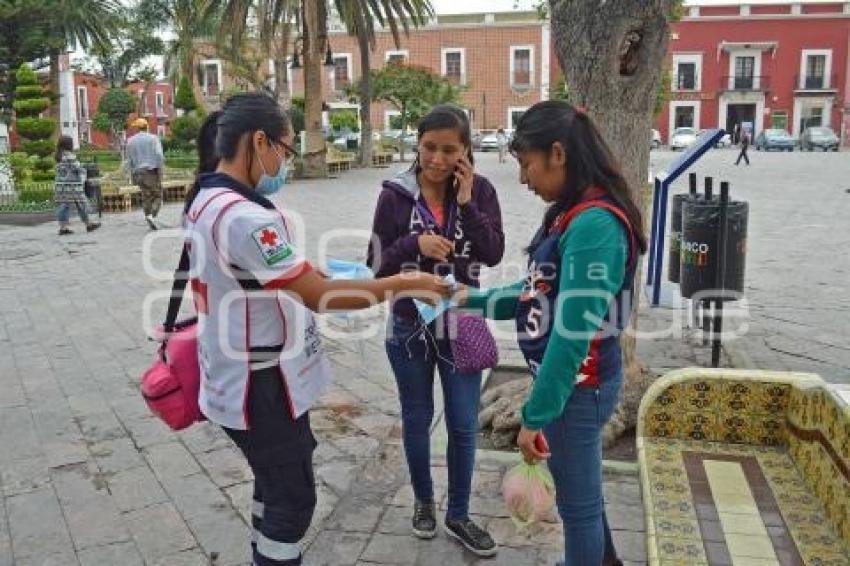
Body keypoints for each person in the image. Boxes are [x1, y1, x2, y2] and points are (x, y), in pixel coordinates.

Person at [184, 92, 450, 566]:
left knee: (273, 484)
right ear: (258, 140)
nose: (284, 165)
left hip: (236, 372)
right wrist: (405, 282)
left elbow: (268, 277)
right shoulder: (244, 217)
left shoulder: (207, 197)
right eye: (284, 152)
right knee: (293, 500)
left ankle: (262, 553)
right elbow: (321, 298)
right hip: (259, 385)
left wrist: (317, 273)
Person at [454, 100, 647, 566]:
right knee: (581, 495)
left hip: (580, 387)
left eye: (526, 164)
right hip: (567, 387)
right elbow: (536, 291)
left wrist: (535, 416)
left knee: (577, 509)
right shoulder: (570, 212)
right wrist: (472, 299)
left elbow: (573, 331)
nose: (523, 178)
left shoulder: (596, 223)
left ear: (557, 153)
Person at [367, 104, 505, 557]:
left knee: (464, 424)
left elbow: (493, 252)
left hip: (461, 324)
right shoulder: (394, 195)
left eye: (450, 150)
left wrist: (466, 206)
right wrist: (414, 243)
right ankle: (424, 500)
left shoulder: (480, 191)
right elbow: (375, 264)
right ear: (417, 144)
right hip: (409, 324)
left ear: (466, 151)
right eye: (429, 147)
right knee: (416, 417)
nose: (438, 159)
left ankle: (459, 513)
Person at [54, 135, 100, 235]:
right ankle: (89, 224)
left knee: (63, 206)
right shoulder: (69, 156)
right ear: (68, 144)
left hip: (61, 185)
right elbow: (78, 168)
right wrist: (83, 176)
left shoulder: (58, 155)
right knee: (82, 204)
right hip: (73, 185)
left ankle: (63, 227)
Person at [126, 117, 164, 230]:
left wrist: (132, 175)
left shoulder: (130, 141)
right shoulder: (153, 138)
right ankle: (152, 216)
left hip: (138, 173)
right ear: (147, 126)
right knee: (157, 195)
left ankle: (148, 218)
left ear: (137, 128)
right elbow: (159, 155)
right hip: (150, 171)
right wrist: (159, 169)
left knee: (146, 196)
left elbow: (129, 160)